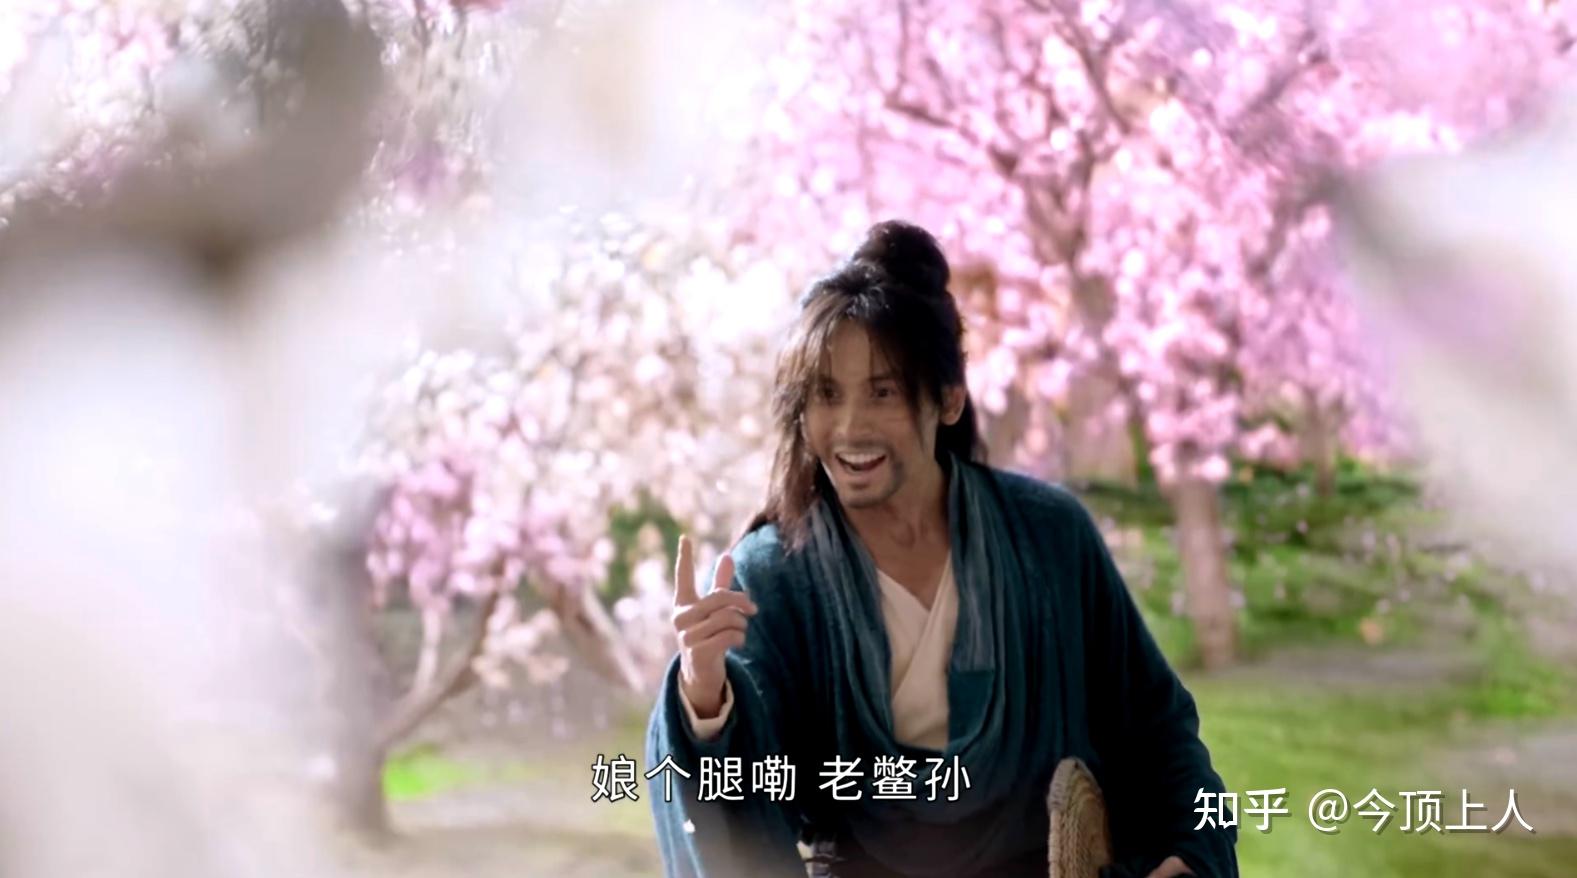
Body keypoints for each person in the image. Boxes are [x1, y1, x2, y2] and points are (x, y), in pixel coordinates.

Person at [645, 220, 1238, 878]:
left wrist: (1190, 856)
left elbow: (1156, 732)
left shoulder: (1048, 537)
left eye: (882, 392)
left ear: (948, 399)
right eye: (826, 395)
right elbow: (744, 806)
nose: (850, 428)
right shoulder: (772, 576)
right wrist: (704, 700)